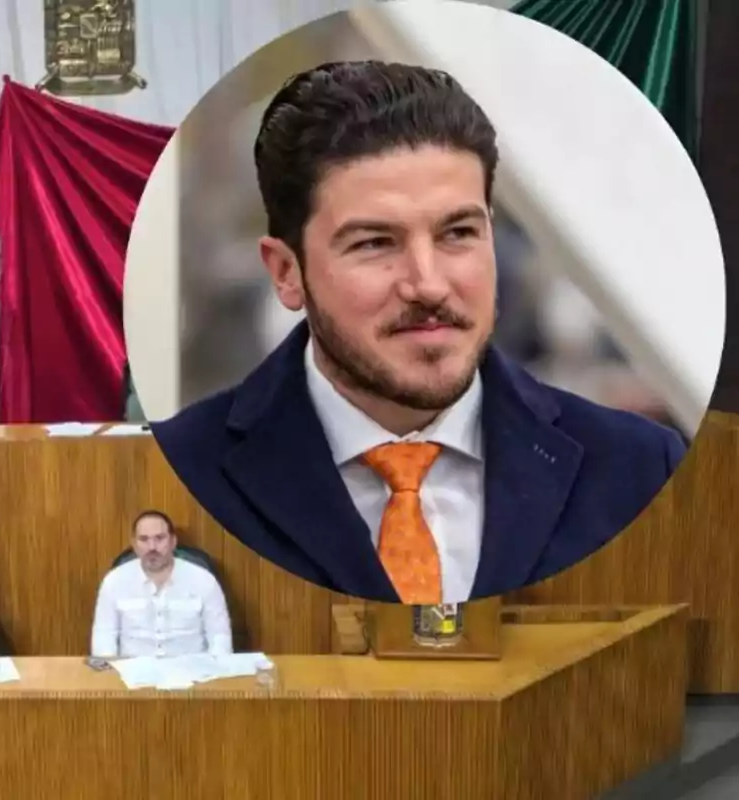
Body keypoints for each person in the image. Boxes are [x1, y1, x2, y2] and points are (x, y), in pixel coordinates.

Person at [151, 61, 686, 604]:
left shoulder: (637, 471)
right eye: (375, 243)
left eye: (458, 233)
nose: (428, 285)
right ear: (287, 273)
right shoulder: (178, 478)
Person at [90, 510, 232, 659]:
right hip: (133, 676)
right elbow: (103, 639)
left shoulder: (204, 580)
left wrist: (215, 676)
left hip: (192, 676)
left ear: (173, 542)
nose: (152, 547)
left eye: (159, 538)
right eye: (144, 539)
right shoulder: (114, 581)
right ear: (134, 544)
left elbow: (220, 638)